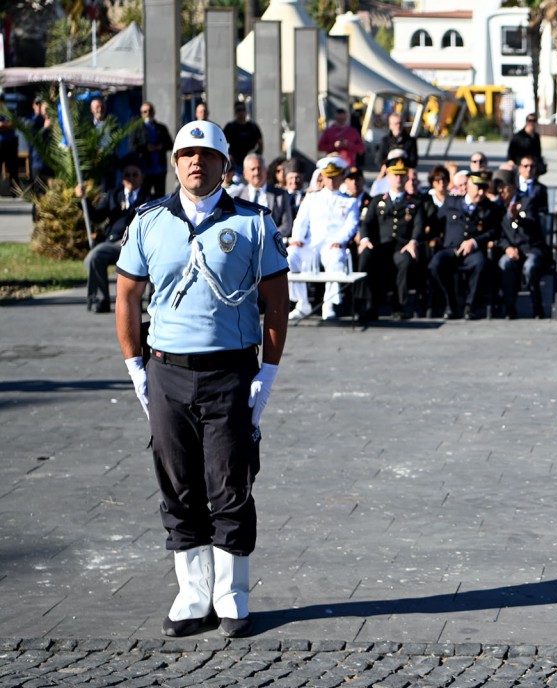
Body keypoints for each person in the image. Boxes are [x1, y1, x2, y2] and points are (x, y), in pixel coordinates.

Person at [114, 120, 289, 639]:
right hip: (166, 371)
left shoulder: (254, 223)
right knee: (177, 484)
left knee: (231, 483)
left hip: (229, 373)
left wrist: (269, 374)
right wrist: (134, 368)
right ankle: (193, 596)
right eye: (187, 154)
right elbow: (126, 296)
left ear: (225, 167)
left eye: (207, 156)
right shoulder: (147, 221)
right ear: (174, 163)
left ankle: (232, 597)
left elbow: (276, 302)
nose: (197, 162)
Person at [287, 156, 360, 321]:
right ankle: (302, 303)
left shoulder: (350, 201)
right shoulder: (312, 198)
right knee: (291, 255)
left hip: (333, 244)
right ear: (323, 177)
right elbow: (301, 221)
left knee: (336, 259)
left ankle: (329, 304)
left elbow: (351, 225)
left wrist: (341, 240)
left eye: (335, 176)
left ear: (342, 176)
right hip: (313, 243)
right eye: (329, 177)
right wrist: (297, 238)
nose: (332, 180)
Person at [357, 153, 424, 321]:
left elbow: (418, 225)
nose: (399, 178)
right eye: (395, 174)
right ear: (388, 175)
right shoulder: (377, 200)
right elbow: (366, 223)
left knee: (405, 261)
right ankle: (366, 305)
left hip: (401, 246)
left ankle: (399, 306)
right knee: (365, 257)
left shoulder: (414, 202)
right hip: (381, 245)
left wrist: (413, 242)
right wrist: (365, 240)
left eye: (402, 175)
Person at [83, 164, 156, 313]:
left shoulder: (150, 198)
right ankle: (101, 300)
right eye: (127, 175)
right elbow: (97, 216)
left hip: (138, 244)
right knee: (94, 257)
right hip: (115, 242)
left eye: (135, 174)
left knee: (156, 256)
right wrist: (84, 200)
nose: (130, 178)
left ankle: (153, 302)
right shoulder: (113, 195)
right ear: (122, 179)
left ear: (142, 177)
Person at [430, 171, 502, 319]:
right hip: (451, 249)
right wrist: (434, 236)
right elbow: (436, 221)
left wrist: (475, 241)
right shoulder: (452, 202)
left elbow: (495, 231)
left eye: (484, 188)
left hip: (473, 251)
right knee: (435, 265)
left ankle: (470, 305)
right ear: (468, 186)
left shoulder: (490, 208)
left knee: (481, 264)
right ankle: (450, 303)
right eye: (478, 188)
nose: (481, 192)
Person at [494, 168, 552, 319]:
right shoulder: (498, 207)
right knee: (505, 263)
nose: (501, 192)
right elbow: (498, 234)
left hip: (531, 248)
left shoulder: (527, 201)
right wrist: (507, 248)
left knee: (530, 267)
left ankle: (537, 306)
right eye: (499, 189)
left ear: (513, 187)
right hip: (512, 250)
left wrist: (517, 218)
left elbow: (533, 225)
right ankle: (510, 307)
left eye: (504, 188)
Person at [228, 153, 295, 240]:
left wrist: (269, 237)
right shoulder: (235, 197)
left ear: (265, 171)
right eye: (253, 169)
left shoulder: (280, 195)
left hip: (271, 243)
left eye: (259, 168)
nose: (257, 172)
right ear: (245, 174)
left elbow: (287, 225)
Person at [129, 102, 174, 199]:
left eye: (150, 111)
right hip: (145, 170)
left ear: (153, 112)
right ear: (142, 114)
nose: (148, 114)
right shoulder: (137, 129)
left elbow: (170, 144)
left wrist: (161, 146)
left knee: (160, 196)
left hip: (160, 169)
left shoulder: (162, 128)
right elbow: (132, 147)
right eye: (145, 112)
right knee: (144, 197)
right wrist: (146, 148)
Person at [223, 102, 264, 171]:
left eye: (243, 109)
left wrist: (257, 155)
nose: (241, 112)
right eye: (239, 110)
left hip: (250, 162)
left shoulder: (253, 127)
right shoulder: (230, 127)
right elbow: (222, 143)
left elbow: (260, 143)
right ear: (235, 112)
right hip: (235, 164)